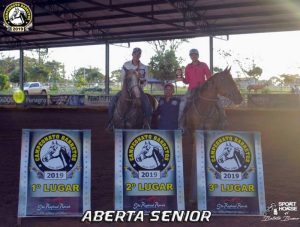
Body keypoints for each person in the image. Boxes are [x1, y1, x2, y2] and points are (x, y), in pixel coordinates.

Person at [107, 47, 152, 129]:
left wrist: (139, 88)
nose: (137, 55)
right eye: (135, 53)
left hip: (138, 89)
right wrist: (125, 88)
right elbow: (122, 78)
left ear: (140, 55)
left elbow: (146, 80)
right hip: (126, 89)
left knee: (147, 103)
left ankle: (146, 123)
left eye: (138, 54)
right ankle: (111, 122)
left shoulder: (144, 67)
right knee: (113, 100)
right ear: (132, 54)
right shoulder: (126, 65)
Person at [177, 48, 212, 128]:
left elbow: (209, 77)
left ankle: (223, 121)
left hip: (203, 90)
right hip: (191, 90)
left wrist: (206, 87)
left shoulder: (204, 65)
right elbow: (187, 81)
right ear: (190, 56)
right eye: (192, 55)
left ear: (198, 56)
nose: (193, 56)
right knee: (182, 104)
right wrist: (181, 78)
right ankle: (180, 125)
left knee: (217, 101)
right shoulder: (188, 67)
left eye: (195, 55)